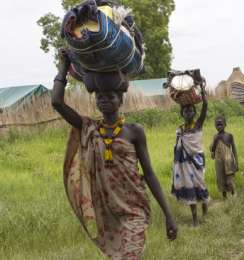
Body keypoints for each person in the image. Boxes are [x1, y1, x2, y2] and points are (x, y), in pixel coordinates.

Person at [52, 51, 177, 259]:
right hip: (107, 213)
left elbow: (150, 174)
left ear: (120, 100)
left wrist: (168, 215)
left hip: (134, 209)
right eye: (99, 97)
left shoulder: (134, 131)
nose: (104, 101)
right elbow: (57, 102)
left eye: (110, 97)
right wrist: (63, 67)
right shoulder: (89, 128)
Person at [171, 84, 209, 226]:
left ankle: (205, 208)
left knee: (200, 185)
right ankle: (195, 220)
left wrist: (203, 92)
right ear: (182, 113)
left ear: (194, 112)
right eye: (185, 110)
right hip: (185, 164)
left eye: (190, 109)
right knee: (190, 187)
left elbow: (205, 108)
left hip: (197, 161)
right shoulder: (180, 129)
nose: (188, 112)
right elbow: (177, 148)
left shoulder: (198, 124)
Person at [210, 115, 238, 199]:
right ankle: (224, 197)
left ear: (225, 124)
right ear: (215, 126)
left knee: (230, 179)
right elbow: (213, 150)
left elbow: (234, 149)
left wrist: (237, 162)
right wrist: (215, 141)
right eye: (217, 125)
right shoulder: (215, 137)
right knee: (220, 178)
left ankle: (233, 193)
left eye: (220, 124)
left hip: (228, 161)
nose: (219, 126)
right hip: (219, 161)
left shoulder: (229, 135)